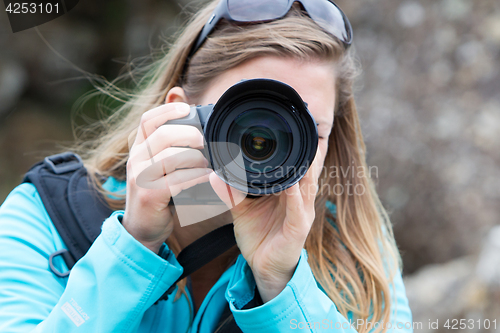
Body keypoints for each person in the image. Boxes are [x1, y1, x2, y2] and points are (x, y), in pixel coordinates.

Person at [0, 0, 413, 332]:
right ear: (179, 115)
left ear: (329, 141)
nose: (268, 146)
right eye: (246, 120)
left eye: (308, 131)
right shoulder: (47, 218)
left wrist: (283, 287)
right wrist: (133, 246)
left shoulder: (358, 256)